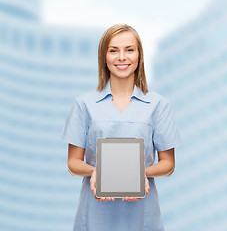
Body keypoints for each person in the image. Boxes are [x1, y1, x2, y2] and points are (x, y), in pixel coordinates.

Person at [62, 24, 180, 231]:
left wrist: (138, 174)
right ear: (104, 57)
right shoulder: (84, 104)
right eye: (113, 50)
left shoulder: (158, 105)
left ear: (139, 56)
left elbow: (168, 164)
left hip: (142, 215)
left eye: (129, 49)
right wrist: (97, 171)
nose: (122, 57)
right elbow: (73, 163)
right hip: (94, 214)